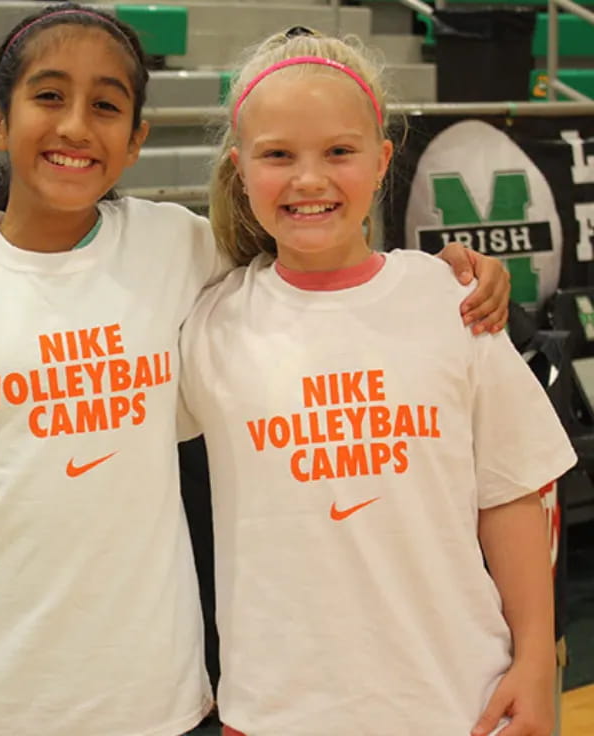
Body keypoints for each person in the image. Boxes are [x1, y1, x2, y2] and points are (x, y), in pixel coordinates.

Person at [0, 5, 509, 734]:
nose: (74, 126)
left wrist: (441, 270)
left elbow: (314, 251)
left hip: (145, 697)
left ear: (135, 142)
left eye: (105, 105)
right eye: (49, 96)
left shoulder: (175, 247)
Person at [177, 27, 577, 736]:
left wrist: (537, 662)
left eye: (338, 151)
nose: (309, 179)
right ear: (240, 169)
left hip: (460, 700)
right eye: (277, 155)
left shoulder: (450, 301)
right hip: (276, 710)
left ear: (383, 158)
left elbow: (513, 492)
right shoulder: (209, 322)